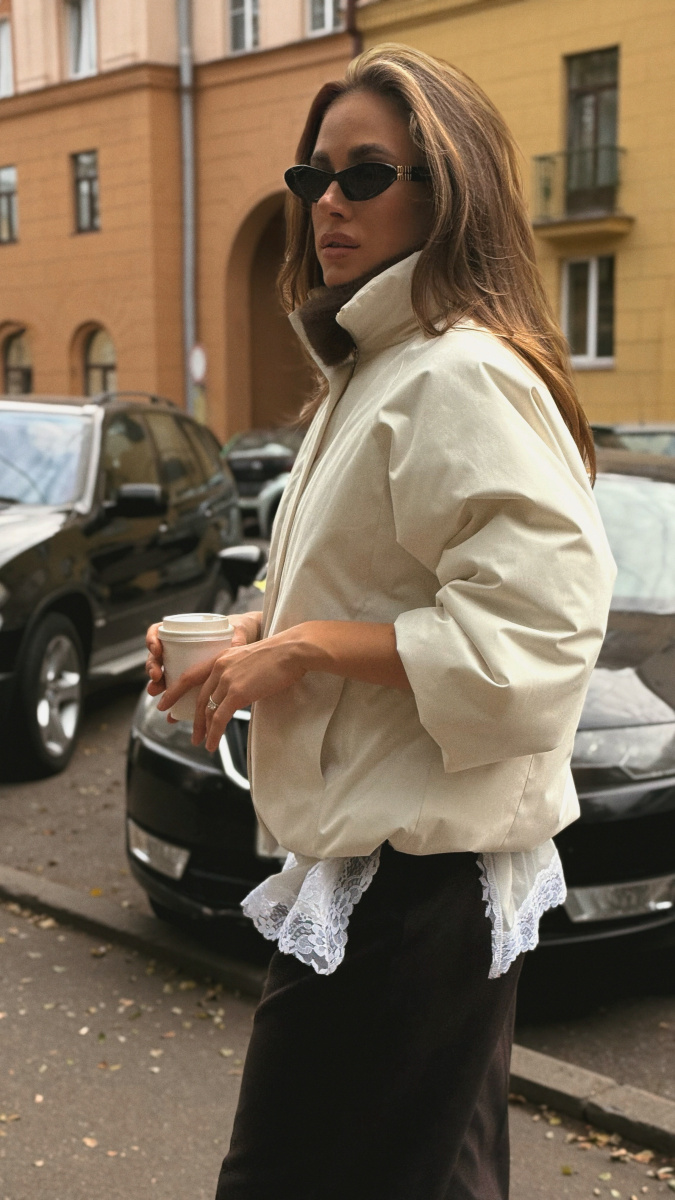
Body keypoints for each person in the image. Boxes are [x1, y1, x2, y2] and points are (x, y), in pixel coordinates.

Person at [146, 44, 616, 1200]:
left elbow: (543, 630)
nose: (328, 204)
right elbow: (376, 589)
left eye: (364, 175)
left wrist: (303, 648)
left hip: (412, 889)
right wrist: (251, 634)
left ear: (445, 190)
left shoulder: (459, 372)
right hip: (398, 873)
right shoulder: (380, 366)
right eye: (313, 178)